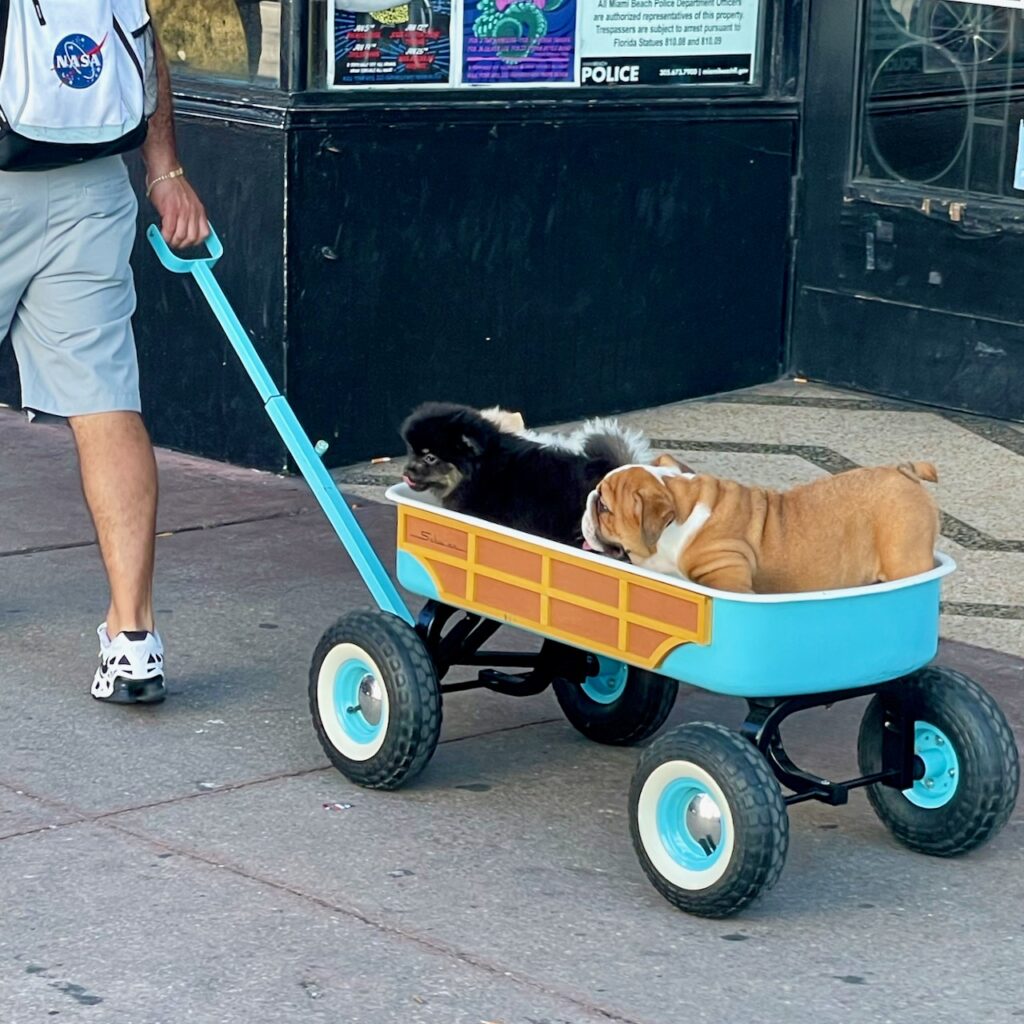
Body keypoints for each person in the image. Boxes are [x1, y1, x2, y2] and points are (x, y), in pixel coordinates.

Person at [0, 26, 209, 705]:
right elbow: (140, 40)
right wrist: (166, 171)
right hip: (92, 184)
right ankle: (133, 639)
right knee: (105, 398)